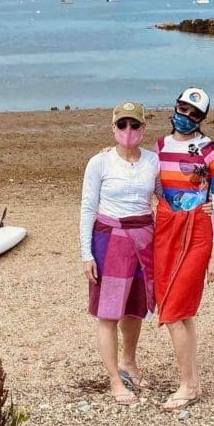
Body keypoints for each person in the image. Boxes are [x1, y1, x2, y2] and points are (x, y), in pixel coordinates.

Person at [80, 101, 160, 404]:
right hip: (108, 240)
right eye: (123, 125)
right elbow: (88, 208)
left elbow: (167, 198)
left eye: (135, 125)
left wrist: (203, 202)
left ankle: (129, 361)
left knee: (134, 307)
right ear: (113, 128)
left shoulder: (153, 162)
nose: (129, 131)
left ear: (143, 128)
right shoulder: (99, 163)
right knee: (108, 311)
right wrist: (86, 254)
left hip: (143, 240)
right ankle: (115, 380)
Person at [153, 87, 214, 410]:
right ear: (175, 107)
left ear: (202, 119)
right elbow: (149, 183)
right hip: (166, 229)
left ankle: (186, 386)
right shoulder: (158, 148)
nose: (186, 117)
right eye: (183, 109)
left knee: (173, 310)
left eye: (194, 114)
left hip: (199, 232)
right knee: (182, 312)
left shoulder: (212, 151)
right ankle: (192, 379)